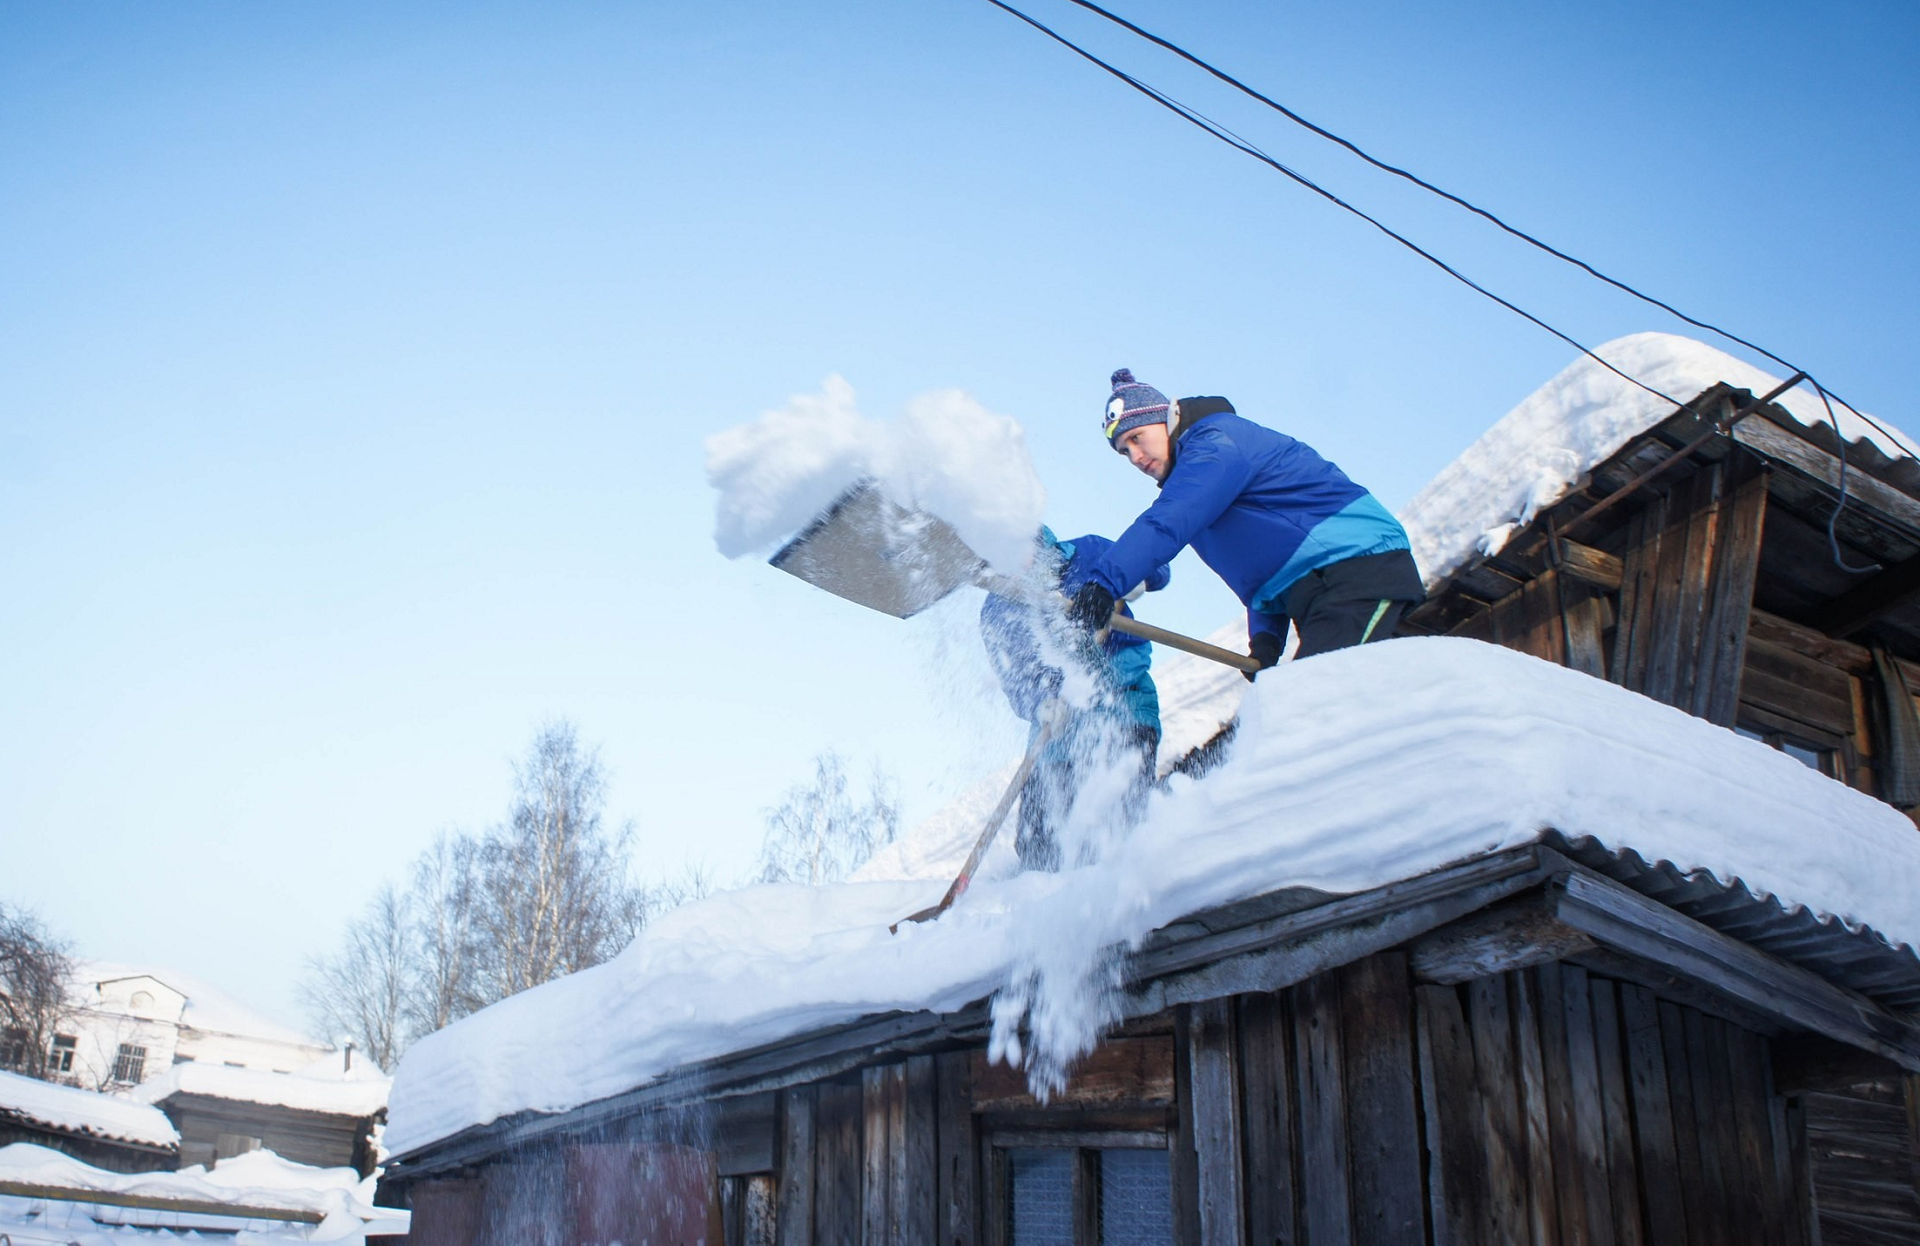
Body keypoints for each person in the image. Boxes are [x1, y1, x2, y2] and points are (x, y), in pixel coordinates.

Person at [1068, 368, 1424, 675]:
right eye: (1124, 452)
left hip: (1355, 568)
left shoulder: (1216, 442)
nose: (1134, 457)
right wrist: (1266, 640)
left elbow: (1166, 523)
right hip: (1318, 589)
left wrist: (1104, 585)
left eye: (1136, 438)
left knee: (1312, 702)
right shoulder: (1199, 493)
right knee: (1326, 699)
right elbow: (1264, 573)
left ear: (1164, 418)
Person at [980, 527, 1169, 871]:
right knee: (1038, 848)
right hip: (1056, 735)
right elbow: (1015, 681)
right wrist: (1040, 703)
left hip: (1123, 708)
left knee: (1117, 826)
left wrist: (1134, 581)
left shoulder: (1091, 554)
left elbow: (1160, 569)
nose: (1017, 563)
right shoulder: (995, 608)